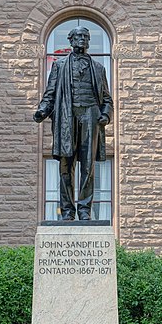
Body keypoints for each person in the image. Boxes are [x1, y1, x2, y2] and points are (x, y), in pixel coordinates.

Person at [33, 26, 113, 221]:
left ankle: (85, 210)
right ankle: (67, 212)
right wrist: (42, 110)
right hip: (67, 116)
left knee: (88, 166)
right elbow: (50, 94)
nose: (82, 40)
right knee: (65, 165)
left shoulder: (98, 68)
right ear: (71, 40)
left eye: (86, 37)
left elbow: (107, 100)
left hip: (90, 115)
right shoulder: (60, 66)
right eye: (78, 36)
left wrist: (105, 115)